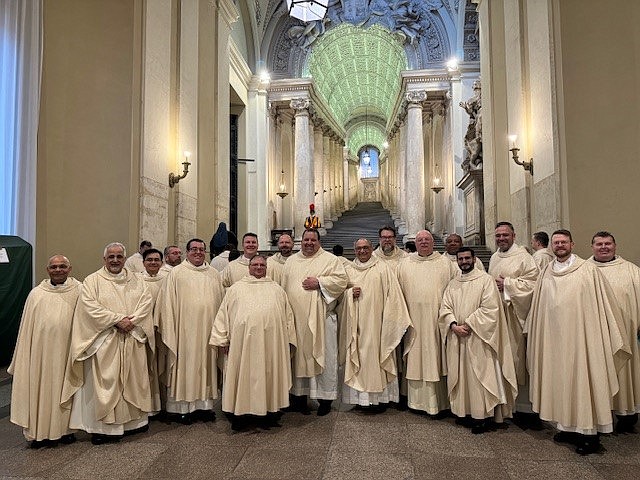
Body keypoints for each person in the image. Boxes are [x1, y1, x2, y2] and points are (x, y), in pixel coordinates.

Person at [526, 229, 630, 455]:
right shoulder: (546, 272)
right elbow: (538, 307)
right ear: (551, 246)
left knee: (584, 382)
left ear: (572, 244)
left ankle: (589, 434)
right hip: (554, 340)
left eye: (564, 242)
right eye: (556, 243)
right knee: (560, 382)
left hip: (583, 339)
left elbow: (604, 306)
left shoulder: (588, 270)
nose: (560, 246)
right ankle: (567, 427)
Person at [62, 243, 155, 445]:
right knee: (105, 384)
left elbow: (146, 302)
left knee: (133, 380)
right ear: (104, 259)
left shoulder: (137, 280)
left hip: (131, 338)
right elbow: (89, 307)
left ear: (124, 258)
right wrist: (116, 320)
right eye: (111, 257)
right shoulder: (92, 281)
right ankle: (101, 428)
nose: (115, 260)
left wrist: (132, 321)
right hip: (104, 342)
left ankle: (133, 424)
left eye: (119, 256)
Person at [210, 255, 296, 430]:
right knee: (241, 375)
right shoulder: (236, 289)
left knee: (269, 374)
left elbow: (288, 318)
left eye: (262, 265)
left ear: (266, 268)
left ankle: (269, 412)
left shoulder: (277, 289)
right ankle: (240, 415)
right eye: (255, 264)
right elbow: (223, 315)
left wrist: (288, 340)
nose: (258, 267)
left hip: (271, 345)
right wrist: (223, 338)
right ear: (249, 267)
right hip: (241, 345)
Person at [439, 247, 517, 433]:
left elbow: (491, 309)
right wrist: (452, 324)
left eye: (467, 258)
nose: (464, 261)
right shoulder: (453, 283)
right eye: (461, 259)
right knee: (462, 377)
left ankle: (482, 416)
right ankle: (465, 412)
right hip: (458, 338)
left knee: (480, 377)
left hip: (480, 338)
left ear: (474, 260)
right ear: (456, 261)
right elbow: (445, 307)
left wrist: (469, 324)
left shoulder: (486, 280)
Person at [8, 255, 81, 448]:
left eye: (62, 266)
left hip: (67, 352)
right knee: (39, 390)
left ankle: (65, 431)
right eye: (54, 267)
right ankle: (38, 433)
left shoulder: (80, 291)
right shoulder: (36, 294)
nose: (58, 270)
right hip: (40, 354)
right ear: (47, 270)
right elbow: (26, 329)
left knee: (64, 390)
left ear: (70, 268)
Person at [338, 239, 412, 411]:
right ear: (354, 250)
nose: (362, 251)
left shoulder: (382, 268)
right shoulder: (348, 270)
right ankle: (359, 400)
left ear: (372, 249)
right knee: (358, 360)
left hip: (379, 326)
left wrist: (389, 324)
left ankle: (379, 400)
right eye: (358, 248)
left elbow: (394, 297)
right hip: (355, 326)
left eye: (365, 248)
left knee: (377, 359)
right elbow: (338, 298)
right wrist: (348, 294)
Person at [156, 238, 225, 424]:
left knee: (206, 366)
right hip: (183, 333)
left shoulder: (214, 274)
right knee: (184, 367)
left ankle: (205, 407)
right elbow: (167, 305)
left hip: (208, 332)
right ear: (187, 252)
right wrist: (171, 330)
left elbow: (222, 304)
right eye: (193, 249)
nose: (198, 252)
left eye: (201, 249)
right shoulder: (176, 274)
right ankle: (182, 409)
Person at [281, 229, 347, 416]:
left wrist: (320, 282)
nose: (309, 243)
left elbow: (342, 280)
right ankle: (299, 399)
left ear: (319, 242)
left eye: (313, 240)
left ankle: (325, 400)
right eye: (305, 239)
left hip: (322, 320)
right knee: (298, 359)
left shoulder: (330, 260)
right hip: (296, 321)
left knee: (325, 359)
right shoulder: (291, 261)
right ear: (300, 241)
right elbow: (283, 288)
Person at [397, 230, 457, 415]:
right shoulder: (404, 264)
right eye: (420, 240)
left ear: (433, 243)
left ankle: (439, 402)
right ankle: (414, 402)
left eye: (427, 240)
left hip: (437, 322)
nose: (423, 242)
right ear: (415, 243)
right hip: (413, 322)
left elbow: (456, 290)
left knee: (437, 359)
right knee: (415, 358)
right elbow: (397, 294)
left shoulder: (446, 264)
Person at [588, 231, 640, 433]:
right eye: (599, 244)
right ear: (592, 247)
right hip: (595, 335)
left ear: (615, 246)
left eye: (607, 244)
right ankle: (600, 414)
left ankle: (626, 413)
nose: (603, 247)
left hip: (625, 333)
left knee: (625, 373)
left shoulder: (632, 271)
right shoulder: (584, 270)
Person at [487, 222, 539, 425]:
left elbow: (534, 284)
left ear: (514, 236)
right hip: (497, 316)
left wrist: (507, 285)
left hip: (515, 317)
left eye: (505, 235)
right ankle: (504, 403)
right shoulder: (494, 257)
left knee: (517, 358)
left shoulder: (524, 257)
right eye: (498, 235)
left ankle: (525, 408)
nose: (501, 239)